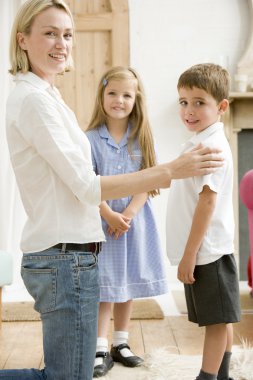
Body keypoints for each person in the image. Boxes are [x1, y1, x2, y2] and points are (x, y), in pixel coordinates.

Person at [1, 0, 224, 377]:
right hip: (63, 258)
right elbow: (88, 186)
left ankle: (116, 340)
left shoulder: (49, 96)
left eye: (68, 34)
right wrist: (169, 170)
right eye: (50, 33)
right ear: (23, 40)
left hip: (73, 254)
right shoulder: (35, 100)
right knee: (66, 376)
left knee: (71, 373)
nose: (62, 42)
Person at [86, 66, 169, 377]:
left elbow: (149, 180)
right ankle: (99, 344)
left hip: (134, 221)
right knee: (105, 284)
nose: (118, 100)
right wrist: (108, 213)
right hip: (101, 220)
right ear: (102, 96)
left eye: (126, 95)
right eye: (112, 93)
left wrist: (129, 215)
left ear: (137, 99)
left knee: (127, 279)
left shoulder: (142, 137)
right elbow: (88, 182)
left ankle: (121, 343)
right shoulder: (90, 139)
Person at [166, 63, 241, 380]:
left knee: (215, 321)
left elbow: (207, 202)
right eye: (184, 102)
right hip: (205, 250)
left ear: (221, 107)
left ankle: (208, 377)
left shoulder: (210, 147)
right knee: (218, 318)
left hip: (206, 251)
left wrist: (189, 254)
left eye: (199, 102)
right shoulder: (200, 141)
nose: (189, 110)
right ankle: (220, 374)